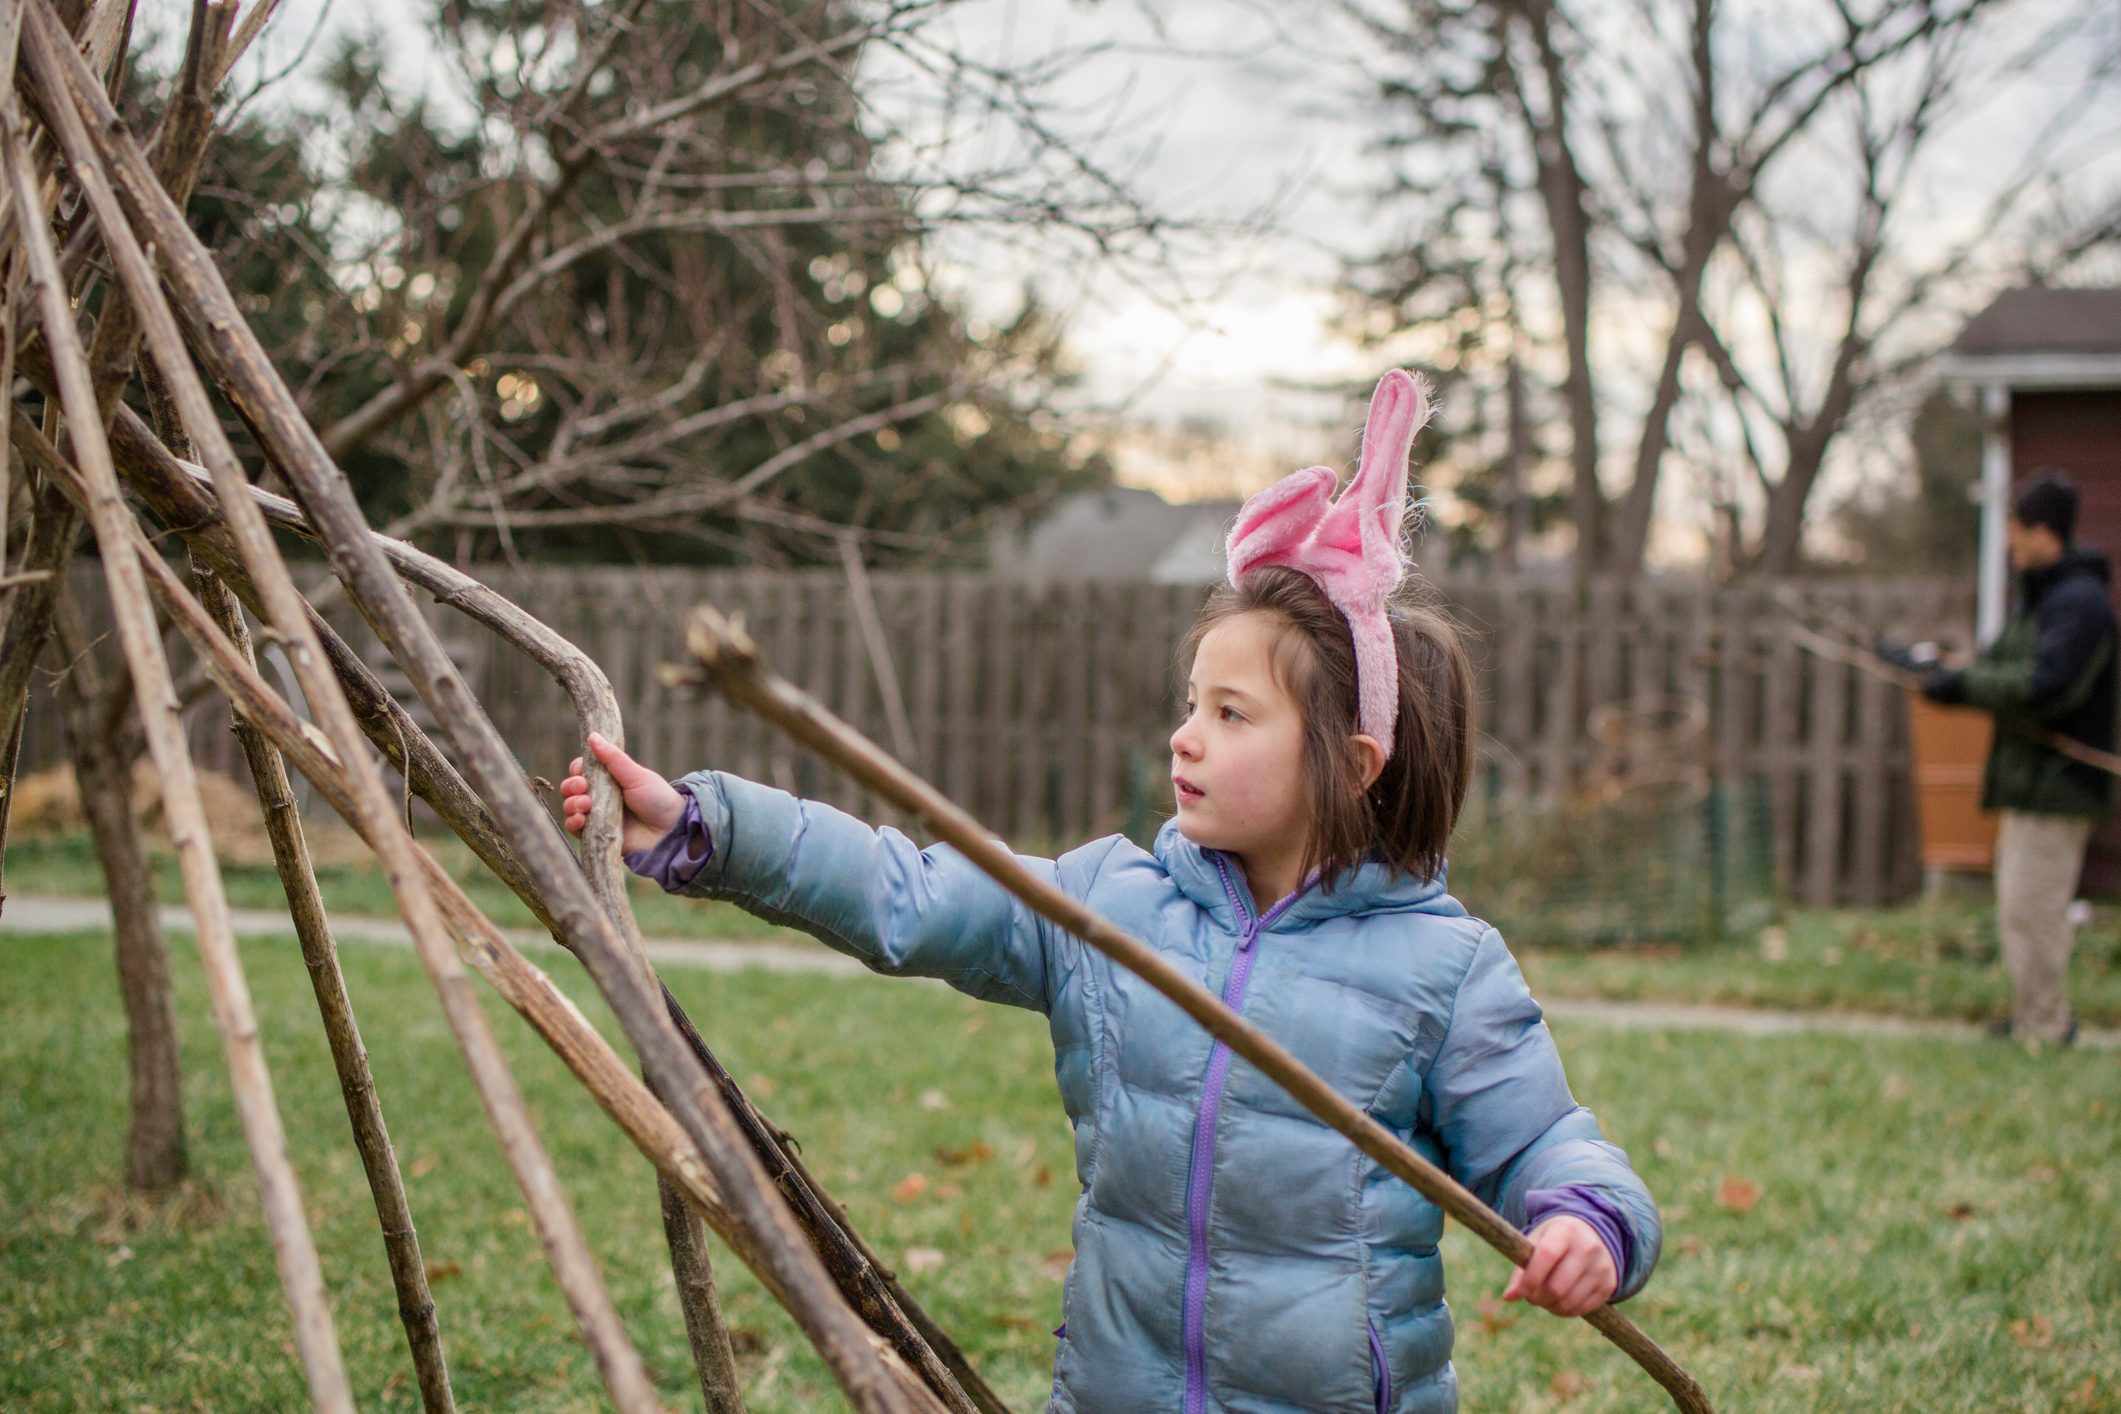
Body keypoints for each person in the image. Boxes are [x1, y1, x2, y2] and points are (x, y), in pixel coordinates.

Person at [561, 371, 1660, 1412]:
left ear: (1353, 763)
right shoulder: (1112, 907)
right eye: (1195, 701)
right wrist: (714, 828)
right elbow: (913, 891)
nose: (1186, 734)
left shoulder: (1442, 968)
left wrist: (1590, 1219)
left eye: (1233, 715)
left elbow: (1540, 1138)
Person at [1922, 472, 2116, 1048]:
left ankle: (2047, 1025)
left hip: (2059, 782)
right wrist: (1944, 673)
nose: (2009, 542)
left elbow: (2044, 686)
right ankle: (2034, 1016)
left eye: (2015, 529)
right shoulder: (2044, 598)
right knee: (2019, 906)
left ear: (2045, 532)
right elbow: (1998, 667)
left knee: (2034, 907)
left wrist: (1963, 687)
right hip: (2033, 784)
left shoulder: (2079, 604)